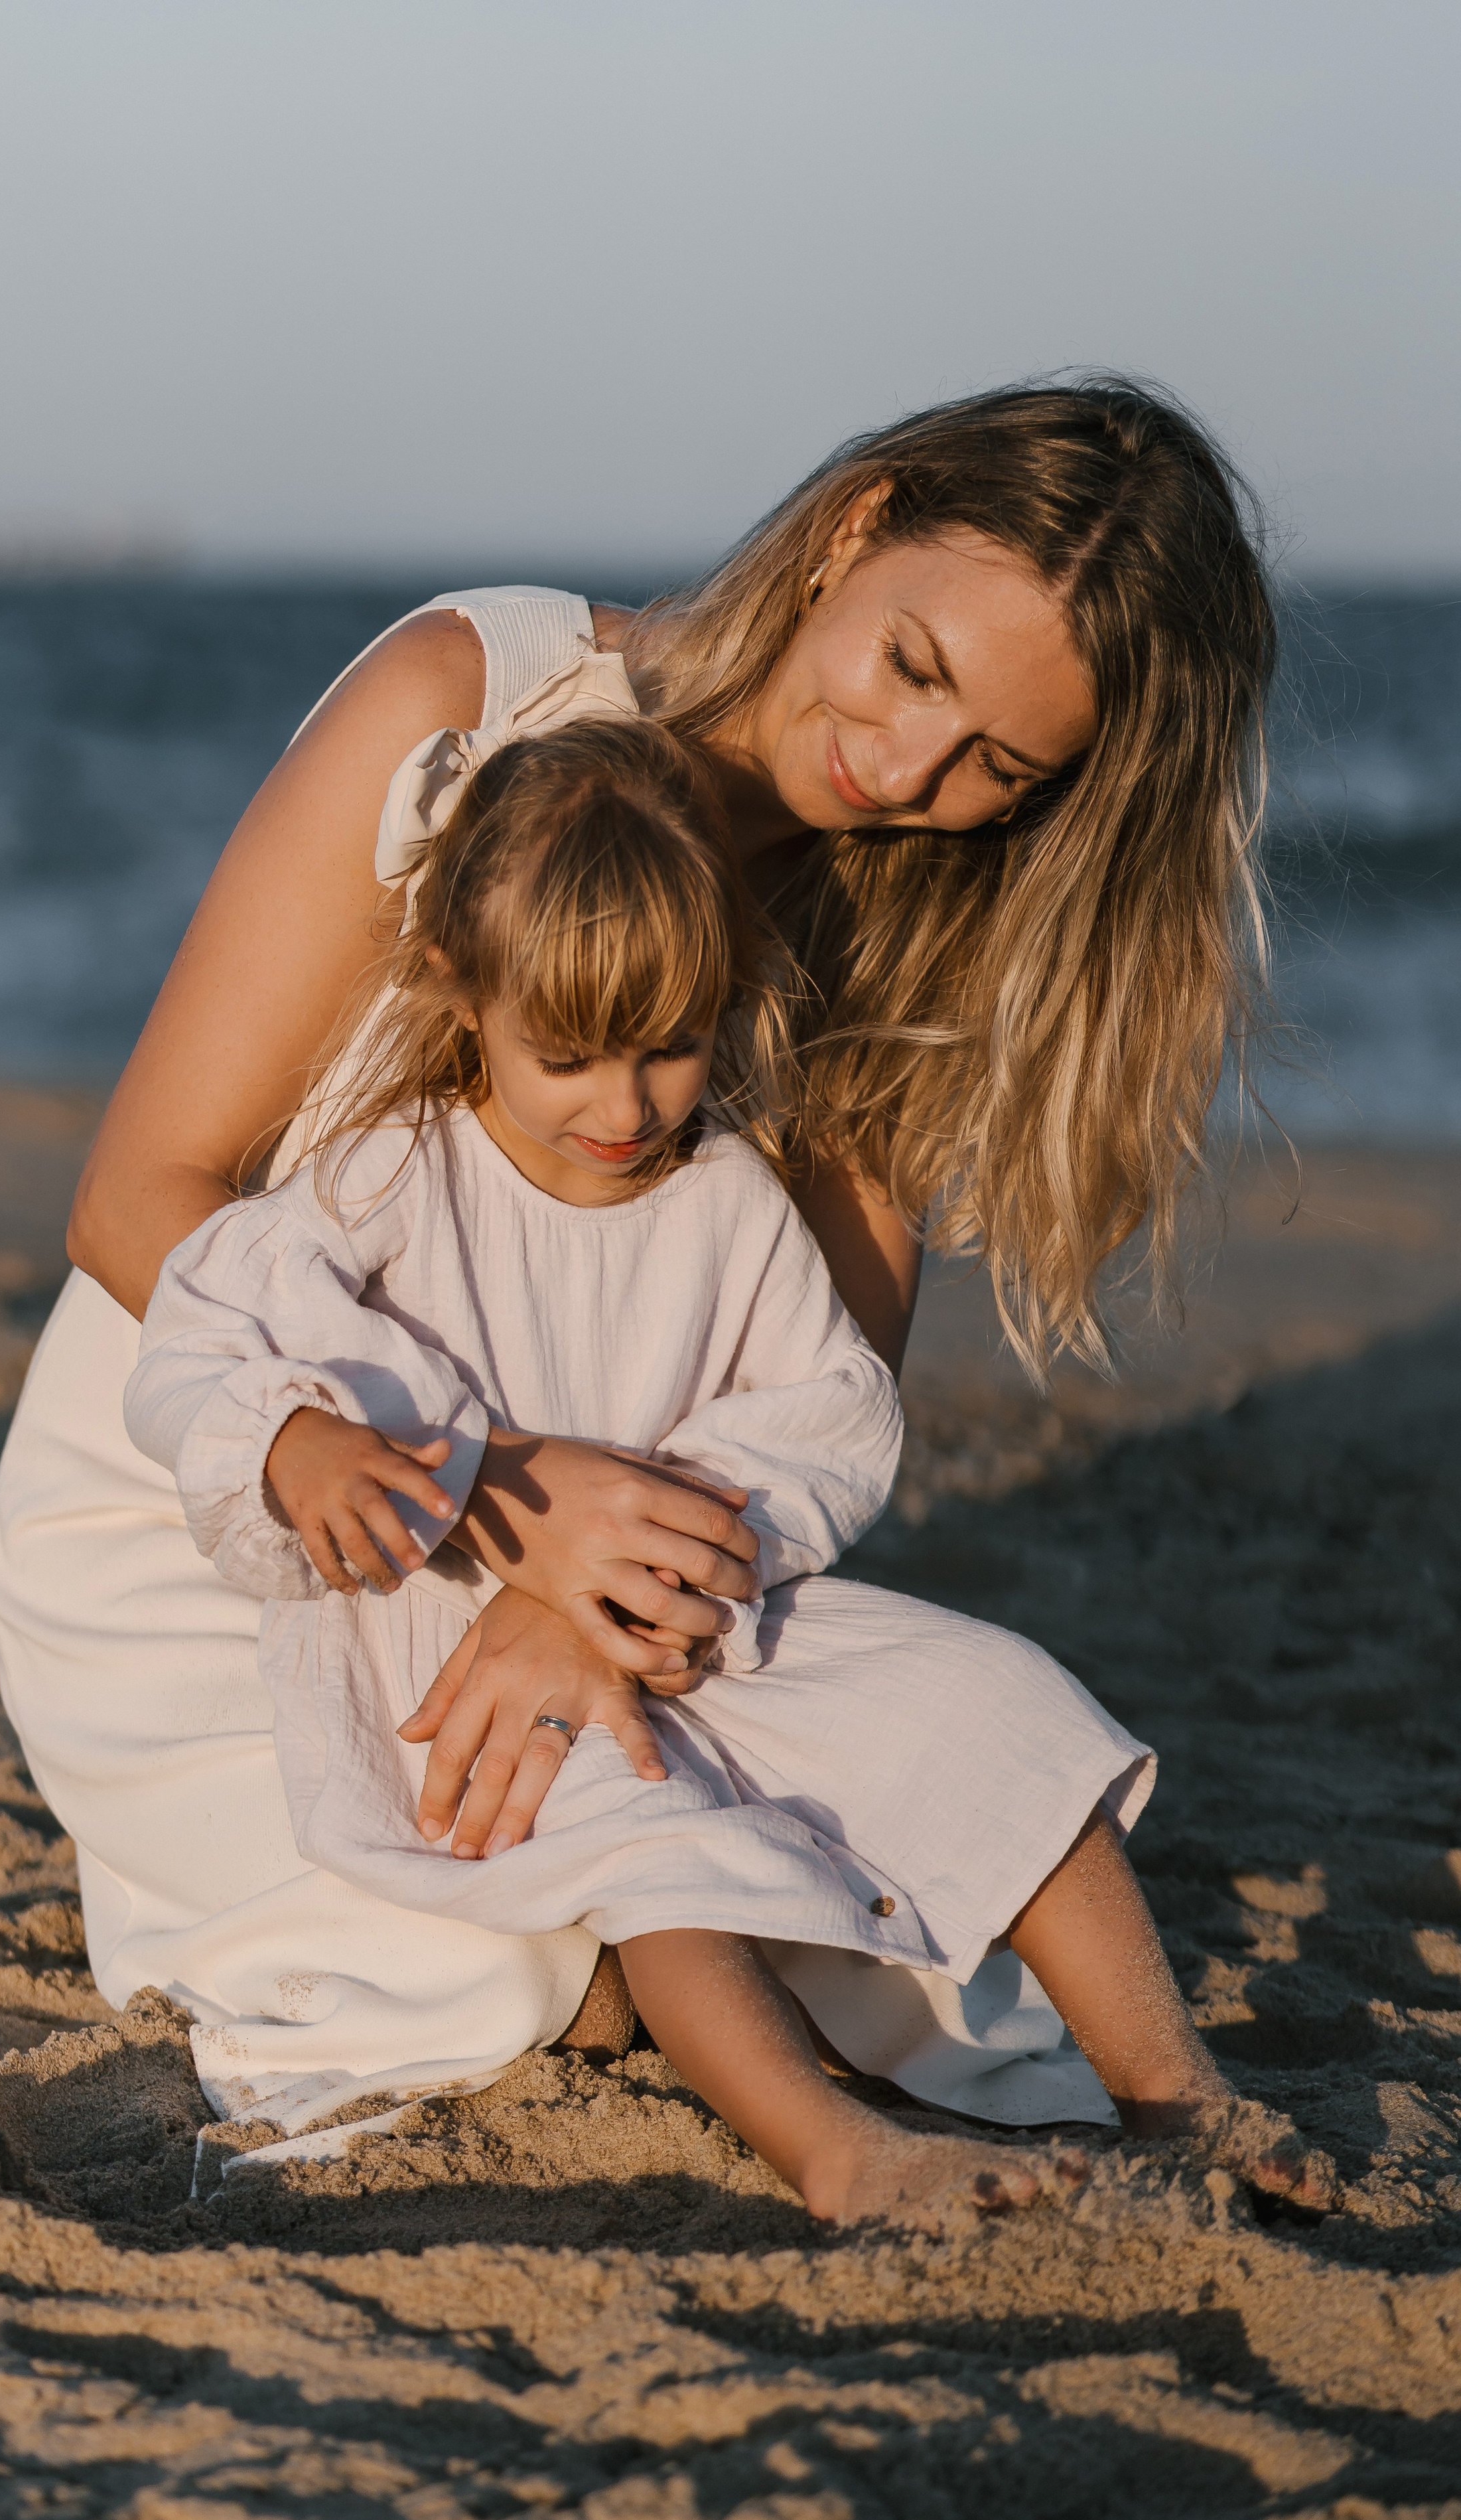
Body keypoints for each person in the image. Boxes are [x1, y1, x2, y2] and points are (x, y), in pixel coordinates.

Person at [0, 378, 1281, 2157]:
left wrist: (581, 1594)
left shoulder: (912, 913)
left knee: (894, 1863)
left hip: (604, 1550)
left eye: (1001, 766)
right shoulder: (476, 705)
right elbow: (139, 1199)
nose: (907, 771)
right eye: (913, 666)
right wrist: (494, 1500)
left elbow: (810, 1397)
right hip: (253, 1484)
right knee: (477, 1971)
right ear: (852, 529)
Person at [123, 716, 1328, 2225]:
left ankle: (1176, 2096)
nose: (622, 1108)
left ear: (724, 1002)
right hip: (461, 1676)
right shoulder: (385, 1176)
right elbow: (196, 1340)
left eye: (670, 1047)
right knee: (665, 1857)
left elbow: (826, 1416)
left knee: (1002, 1709)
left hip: (711, 1621)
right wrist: (296, 1443)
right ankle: (831, 2150)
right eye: (565, 1057)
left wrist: (656, 1565)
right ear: (459, 988)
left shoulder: (729, 1201)